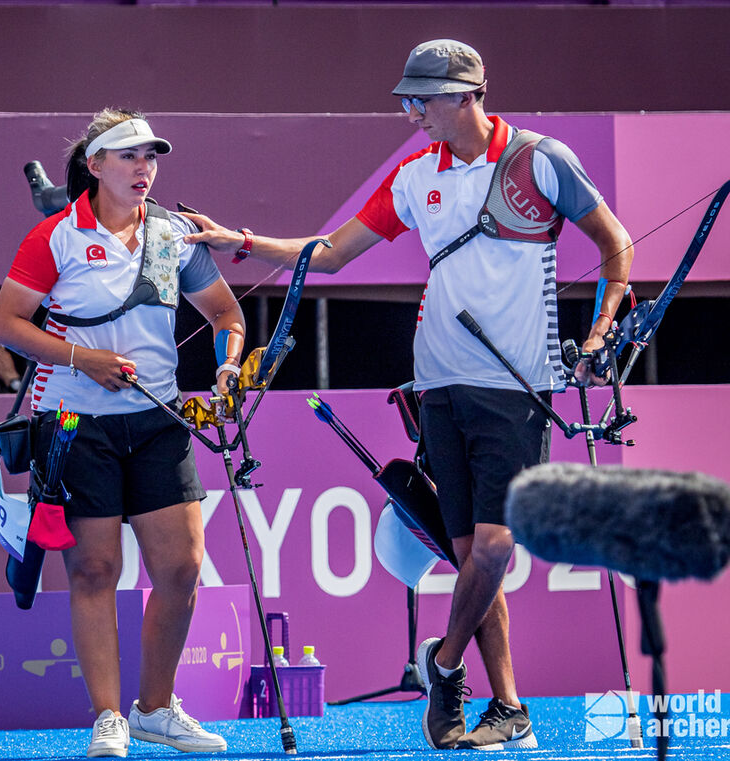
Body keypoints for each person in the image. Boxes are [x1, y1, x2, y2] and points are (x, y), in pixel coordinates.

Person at [182, 40, 635, 751]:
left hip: (517, 386)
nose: (410, 110)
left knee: (495, 546)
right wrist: (240, 240)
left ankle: (444, 664)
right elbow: (328, 252)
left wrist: (605, 326)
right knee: (467, 555)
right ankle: (509, 705)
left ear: (465, 96)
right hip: (438, 384)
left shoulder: (541, 159)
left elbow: (616, 242)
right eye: (408, 98)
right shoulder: (415, 173)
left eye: (420, 98)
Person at [0, 108, 242, 758]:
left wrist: (229, 365)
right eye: (128, 156)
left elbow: (225, 314)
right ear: (95, 165)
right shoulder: (54, 235)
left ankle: (155, 707)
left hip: (160, 421)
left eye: (150, 157)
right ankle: (109, 716)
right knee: (95, 570)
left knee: (182, 568)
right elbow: (7, 324)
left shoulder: (173, 236)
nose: (143, 167)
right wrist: (83, 359)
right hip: (75, 424)